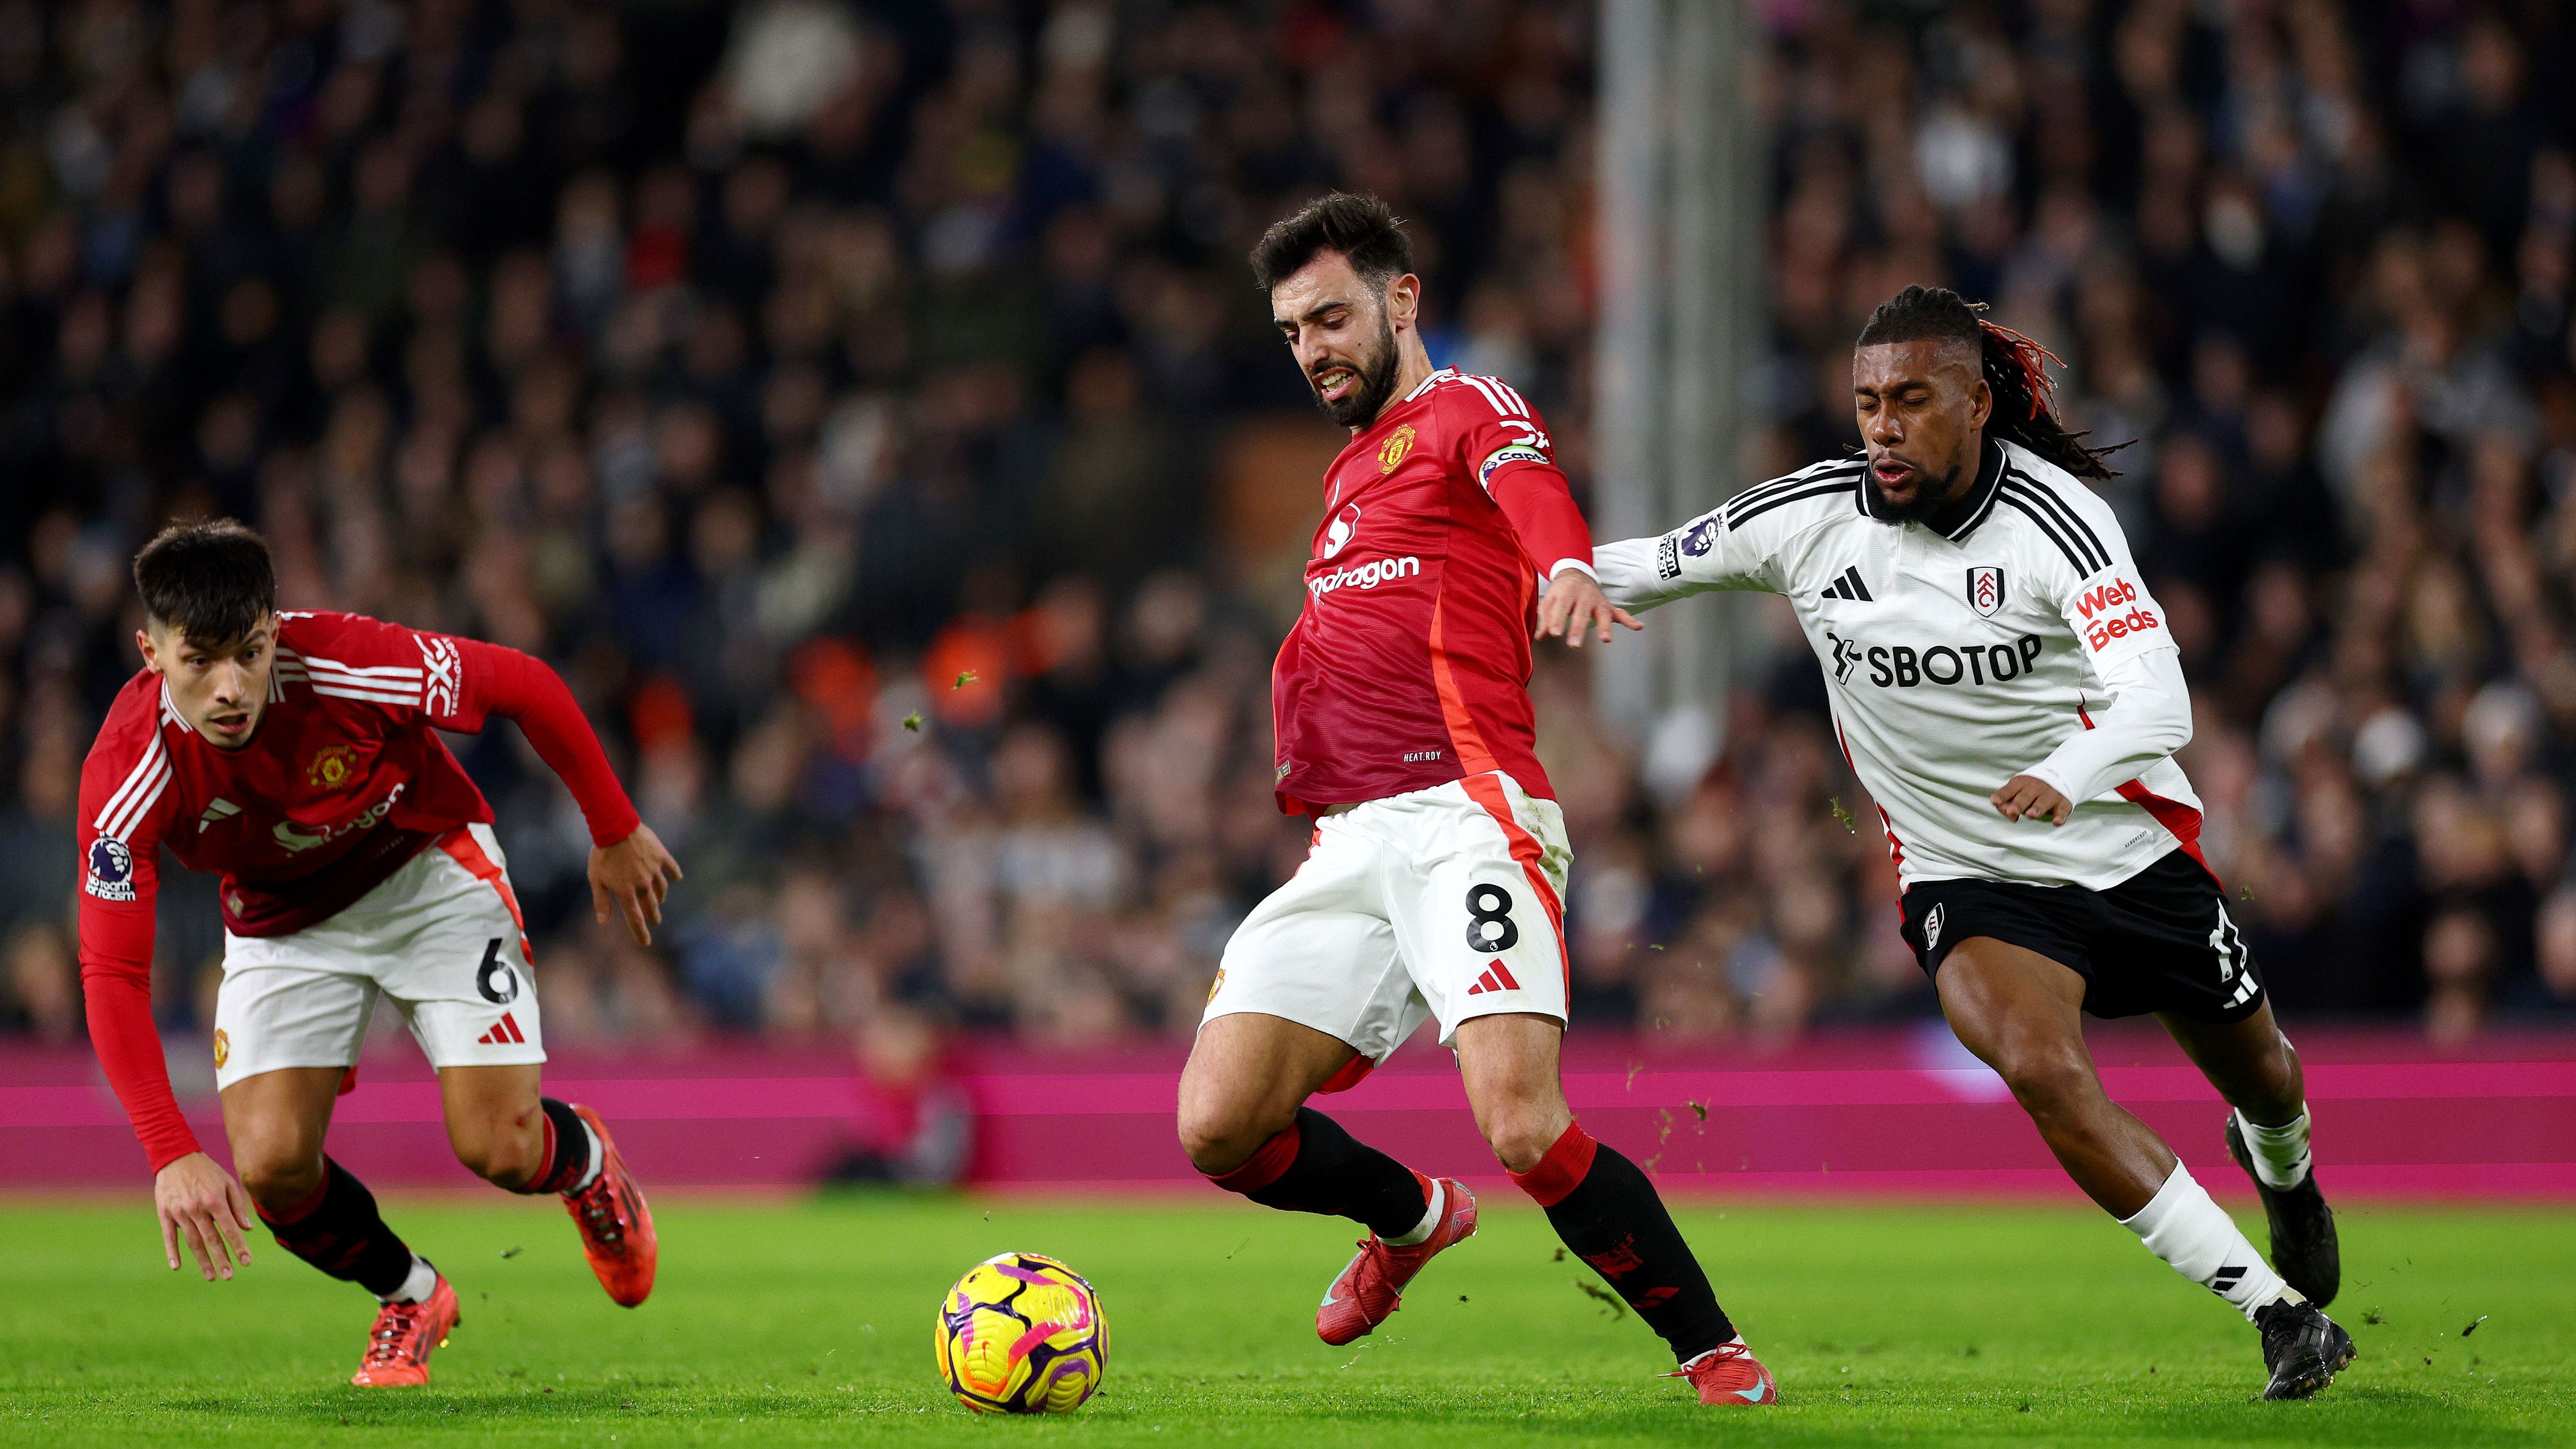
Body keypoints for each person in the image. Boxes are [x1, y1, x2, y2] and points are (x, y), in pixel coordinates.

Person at [1592, 285, 2352, 1400]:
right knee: (2041, 1065)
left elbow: (2162, 704)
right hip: (1967, 870)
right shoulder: (1808, 517)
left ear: (1977, 402)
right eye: (1866, 404)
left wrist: (2070, 772)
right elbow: (1643, 564)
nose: (1883, 428)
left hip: (2122, 847)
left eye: (1910, 399)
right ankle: (2277, 1314)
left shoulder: (2059, 522)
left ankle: (2282, 1166)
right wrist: (1491, 573)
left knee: (2266, 1072)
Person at [1174, 193, 1777, 1407]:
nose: (1315, 349)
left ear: (1402, 302)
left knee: (1521, 1124)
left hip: (1468, 813)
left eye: (1333, 317)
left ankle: (1712, 1346)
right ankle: (1410, 1219)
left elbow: (1530, 483)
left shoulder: (1467, 409)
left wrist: (1559, 561)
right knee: (1218, 1125)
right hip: (1348, 841)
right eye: (1293, 331)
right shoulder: (1346, 475)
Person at [77, 520, 681, 1387]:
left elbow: (525, 683)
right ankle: (411, 1295)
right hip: (283, 922)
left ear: (275, 629)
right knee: (273, 1168)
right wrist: (170, 1150)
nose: (230, 687)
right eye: (199, 661)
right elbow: (112, 972)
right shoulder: (127, 773)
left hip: (427, 876)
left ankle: (582, 1159)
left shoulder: (349, 660)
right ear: (150, 652)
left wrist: (614, 826)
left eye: (248, 652)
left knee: (499, 1149)